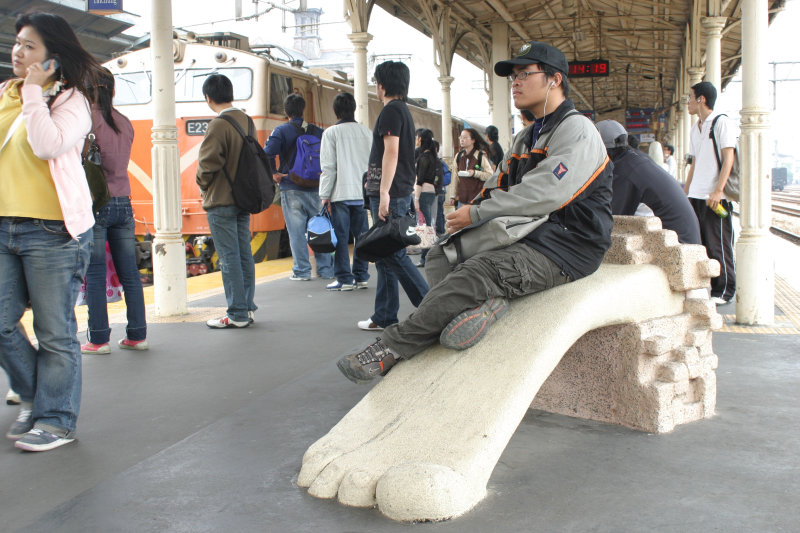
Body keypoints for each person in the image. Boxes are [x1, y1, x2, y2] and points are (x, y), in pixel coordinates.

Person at [337, 41, 613, 383]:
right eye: (514, 76)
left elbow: (544, 193)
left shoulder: (577, 130)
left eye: (525, 74)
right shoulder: (528, 137)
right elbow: (498, 182)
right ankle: (474, 312)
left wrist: (479, 215)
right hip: (527, 231)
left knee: (478, 272)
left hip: (566, 247)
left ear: (554, 80)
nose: (515, 82)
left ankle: (389, 348)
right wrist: (469, 211)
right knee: (442, 254)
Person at [0, 12, 101, 451]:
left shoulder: (72, 102)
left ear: (53, 60)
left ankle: (57, 419)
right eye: (17, 43)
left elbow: (46, 145)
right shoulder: (4, 94)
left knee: (54, 330)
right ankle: (37, 395)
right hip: (4, 226)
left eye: (30, 47)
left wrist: (34, 93)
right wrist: (22, 92)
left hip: (53, 231)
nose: (18, 52)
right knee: (2, 323)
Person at [357, 61, 429, 332]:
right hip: (396, 190)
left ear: (382, 84)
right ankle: (384, 315)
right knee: (385, 253)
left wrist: (384, 192)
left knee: (394, 254)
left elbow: (392, 152)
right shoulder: (403, 112)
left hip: (390, 193)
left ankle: (430, 306)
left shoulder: (390, 112)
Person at [81, 68, 148, 353]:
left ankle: (99, 339)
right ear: (113, 90)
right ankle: (137, 335)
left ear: (87, 90)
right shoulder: (124, 122)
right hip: (124, 202)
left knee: (95, 273)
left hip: (96, 204)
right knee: (130, 273)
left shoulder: (86, 121)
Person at [196, 74, 257, 328]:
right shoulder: (247, 120)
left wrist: (201, 182)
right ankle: (247, 308)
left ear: (209, 98)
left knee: (229, 256)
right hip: (243, 197)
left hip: (221, 200)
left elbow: (208, 164)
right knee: (244, 254)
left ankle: (236, 314)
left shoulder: (218, 125)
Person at [263, 93, 333, 281]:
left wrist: (274, 173)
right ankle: (326, 270)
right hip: (315, 187)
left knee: (296, 232)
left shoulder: (281, 131)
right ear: (303, 110)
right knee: (320, 229)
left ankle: (302, 271)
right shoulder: (317, 131)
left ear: (286, 111)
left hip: (290, 186)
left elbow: (267, 153)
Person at [596, 120, 701, 245]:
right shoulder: (636, 160)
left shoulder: (624, 173)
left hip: (678, 249)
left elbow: (611, 221)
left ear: (603, 150)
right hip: (687, 240)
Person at [684, 81, 738, 304]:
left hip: (715, 197)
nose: (687, 101)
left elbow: (729, 158)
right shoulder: (696, 128)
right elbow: (695, 164)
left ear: (701, 99)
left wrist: (718, 191)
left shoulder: (721, 122)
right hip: (696, 195)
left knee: (719, 243)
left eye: (690, 96)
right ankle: (710, 287)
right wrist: (685, 192)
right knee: (702, 243)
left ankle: (724, 290)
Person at [318, 92, 371, 291]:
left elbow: (329, 167)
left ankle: (344, 278)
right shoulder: (366, 132)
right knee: (362, 236)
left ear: (336, 111)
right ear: (354, 108)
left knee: (340, 237)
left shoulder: (331, 133)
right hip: (362, 193)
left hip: (340, 194)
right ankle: (361, 275)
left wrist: (324, 195)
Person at [413, 129, 439, 267]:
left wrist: (416, 199)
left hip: (423, 192)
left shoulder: (423, 157)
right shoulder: (433, 156)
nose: (416, 139)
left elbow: (420, 180)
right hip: (431, 192)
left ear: (421, 139)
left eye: (417, 137)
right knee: (428, 224)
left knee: (425, 225)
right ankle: (427, 255)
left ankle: (426, 256)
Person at [451, 128, 493, 207]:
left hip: (476, 200)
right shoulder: (459, 156)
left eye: (465, 138)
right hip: (462, 199)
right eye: (461, 138)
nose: (462, 140)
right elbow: (455, 177)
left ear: (473, 140)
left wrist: (475, 173)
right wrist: (453, 196)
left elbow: (490, 175)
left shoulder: (480, 156)